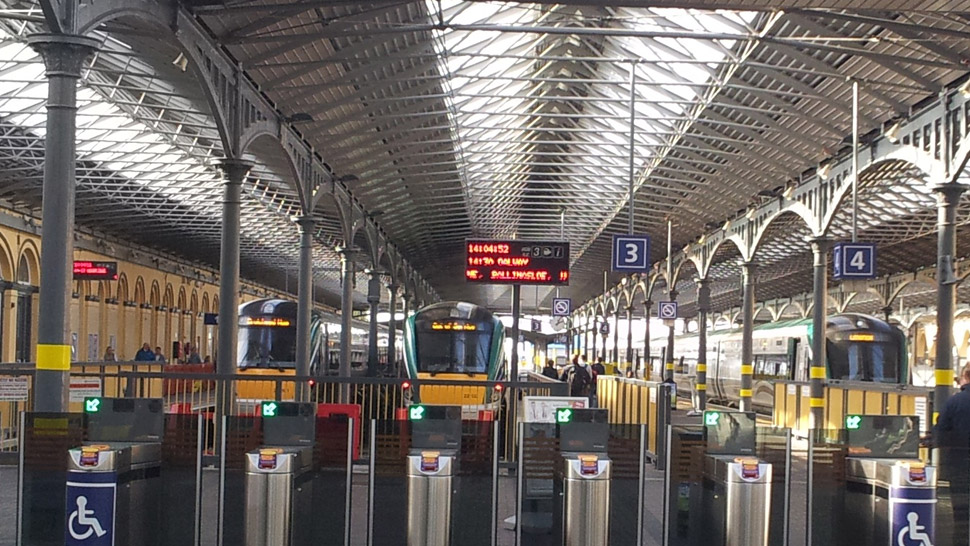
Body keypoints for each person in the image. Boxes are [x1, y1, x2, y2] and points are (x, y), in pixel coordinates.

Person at [935, 363, 970, 542]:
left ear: (965, 377)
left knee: (962, 515)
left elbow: (940, 432)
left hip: (959, 466)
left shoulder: (954, 402)